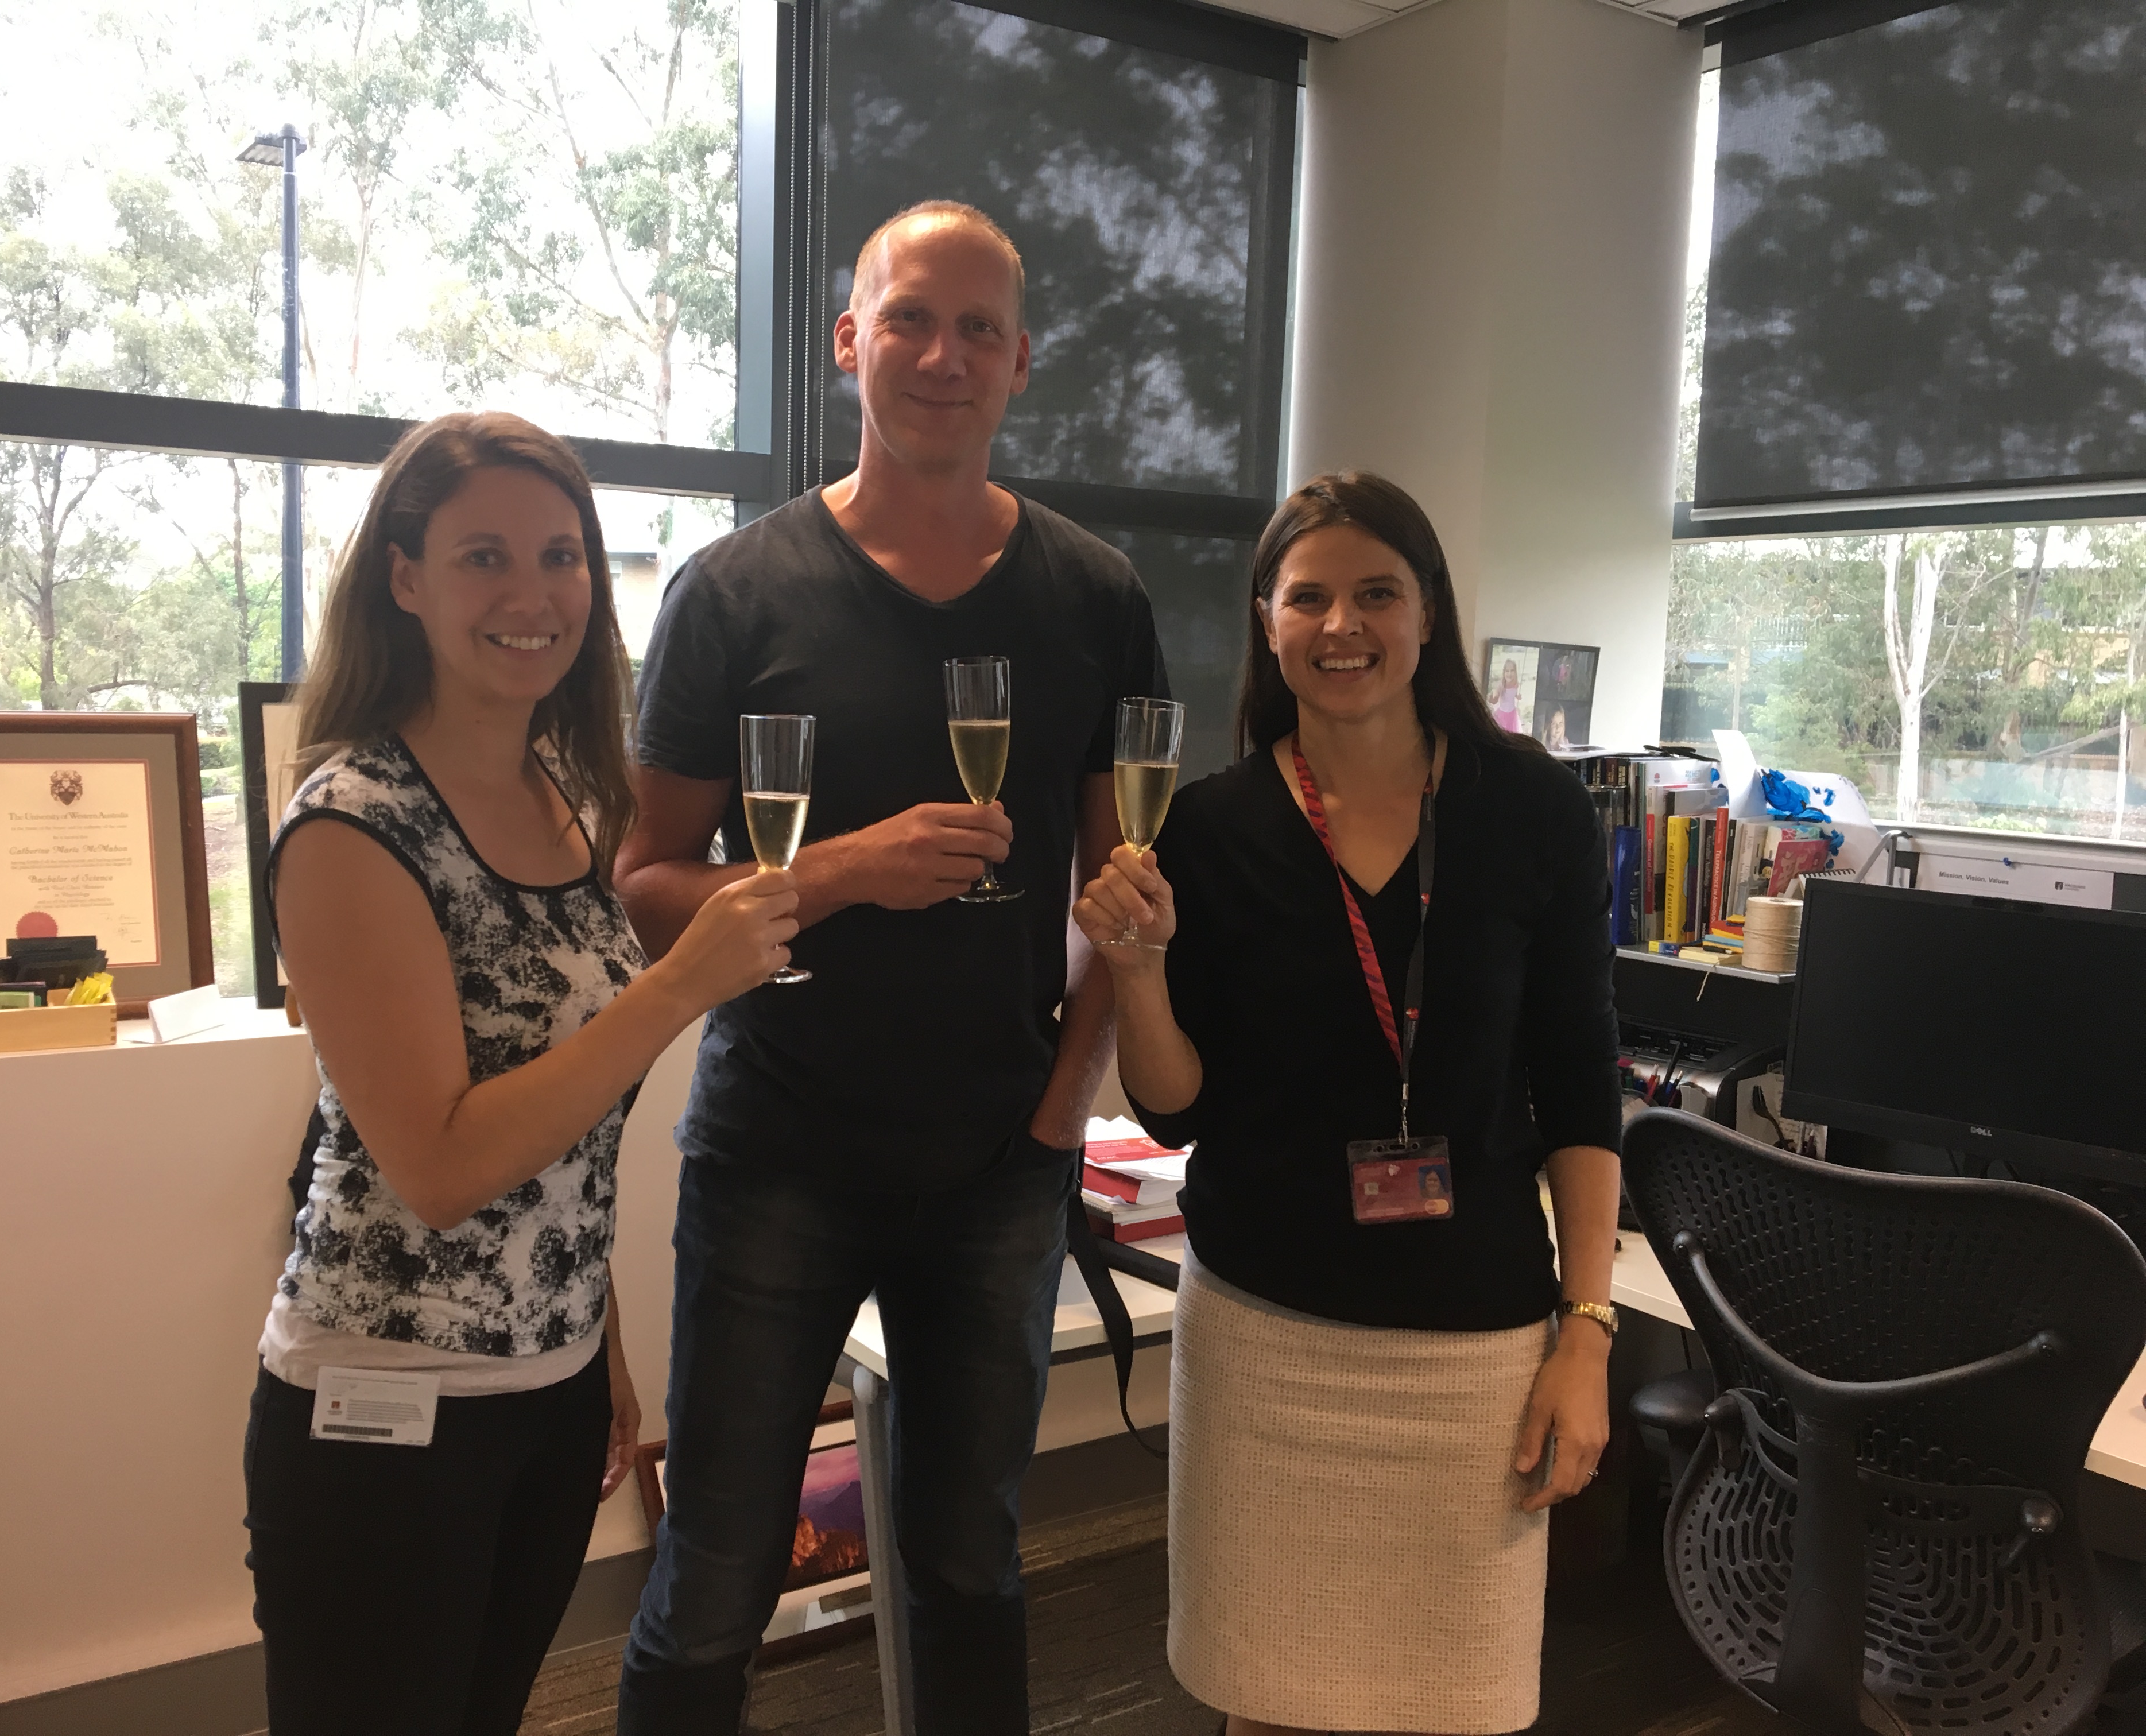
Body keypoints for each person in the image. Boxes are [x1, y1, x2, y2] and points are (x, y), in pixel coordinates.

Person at [612, 200, 1164, 1733]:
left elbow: (1125, 888)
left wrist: (1064, 1117)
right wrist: (840, 872)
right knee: (719, 1572)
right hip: (775, 1146)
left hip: (1002, 1160)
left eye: (980, 327)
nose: (943, 353)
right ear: (850, 341)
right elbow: (647, 888)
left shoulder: (1096, 599)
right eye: (910, 319)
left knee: (971, 1565)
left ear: (1021, 364)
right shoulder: (731, 594)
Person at [242, 412, 799, 1736]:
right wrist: (678, 987)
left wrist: (591, 1333)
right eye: (483, 555)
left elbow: (557, 1117)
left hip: (543, 1395)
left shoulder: (565, 793)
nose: (532, 595)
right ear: (406, 578)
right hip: (384, 1405)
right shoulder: (349, 824)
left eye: (561, 557)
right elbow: (436, 1164)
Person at [1074, 471, 1622, 1736]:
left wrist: (1586, 1331)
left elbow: (1580, 1081)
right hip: (1269, 1340)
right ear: (1267, 621)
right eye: (1307, 596)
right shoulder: (1208, 828)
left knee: (1461, 1705)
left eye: (1378, 592)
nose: (1343, 626)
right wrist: (1139, 971)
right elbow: (1172, 1111)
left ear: (1428, 613)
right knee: (1267, 1703)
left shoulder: (1530, 808)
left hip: (1476, 1347)